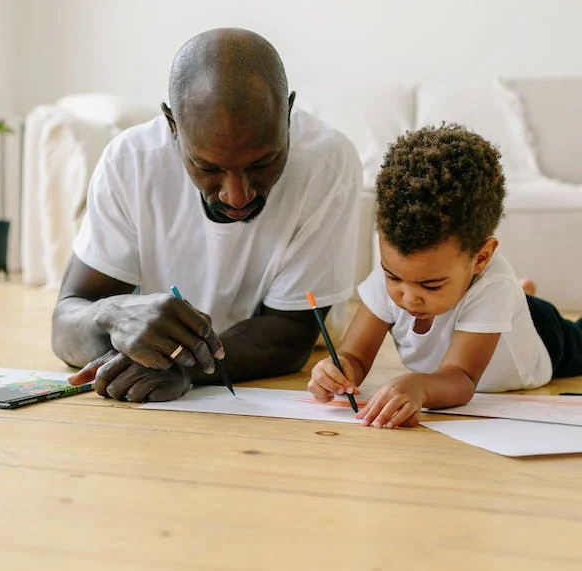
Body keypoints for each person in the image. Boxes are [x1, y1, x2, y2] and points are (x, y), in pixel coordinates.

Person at [52, 28, 362, 402]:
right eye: (209, 168)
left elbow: (291, 335)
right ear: (172, 127)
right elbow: (66, 324)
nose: (237, 194)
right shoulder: (129, 162)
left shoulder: (328, 163)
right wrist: (114, 313)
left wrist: (180, 366)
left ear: (288, 114)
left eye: (263, 163)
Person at [308, 123, 582, 428]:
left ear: (481, 258)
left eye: (431, 284)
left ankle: (521, 302)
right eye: (393, 276)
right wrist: (337, 368)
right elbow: (354, 357)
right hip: (496, 308)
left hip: (545, 338)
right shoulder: (395, 277)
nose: (407, 296)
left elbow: (462, 378)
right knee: (499, 299)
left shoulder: (493, 285)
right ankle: (520, 299)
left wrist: (418, 386)